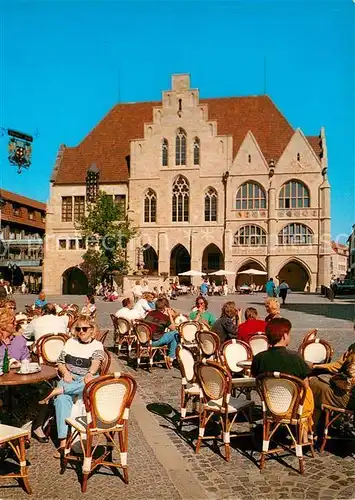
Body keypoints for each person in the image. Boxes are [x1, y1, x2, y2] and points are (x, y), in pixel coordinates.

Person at [251, 318, 314, 439]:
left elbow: (257, 381)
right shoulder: (295, 358)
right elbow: (305, 385)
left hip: (271, 406)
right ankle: (305, 434)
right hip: (294, 408)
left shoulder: (259, 358)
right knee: (309, 391)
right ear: (284, 335)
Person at [51, 316, 104, 454]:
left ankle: (60, 389)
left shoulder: (97, 345)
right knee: (62, 400)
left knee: (93, 381)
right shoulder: (70, 342)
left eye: (85, 328)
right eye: (78, 328)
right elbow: (60, 362)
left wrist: (90, 373)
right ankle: (63, 442)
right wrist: (65, 372)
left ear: (92, 330)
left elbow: (96, 361)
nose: (81, 331)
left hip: (85, 379)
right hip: (70, 377)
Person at [143, 298, 179, 368]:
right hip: (154, 342)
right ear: (164, 308)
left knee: (172, 337)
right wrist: (170, 315)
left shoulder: (149, 314)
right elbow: (173, 328)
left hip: (145, 340)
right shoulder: (164, 317)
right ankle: (171, 358)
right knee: (175, 334)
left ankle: (171, 358)